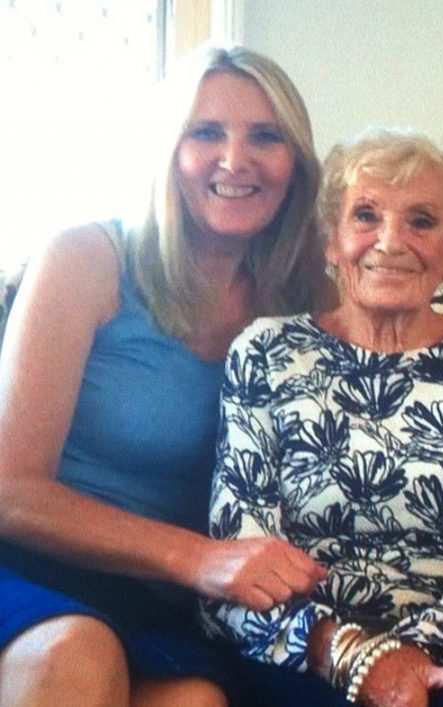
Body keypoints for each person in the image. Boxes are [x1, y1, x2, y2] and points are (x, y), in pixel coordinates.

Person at [0, 45, 330, 706]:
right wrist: (197, 557)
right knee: (76, 653)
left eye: (265, 137)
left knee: (197, 703)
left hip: (167, 603)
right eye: (205, 132)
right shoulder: (88, 256)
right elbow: (9, 489)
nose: (235, 161)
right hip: (35, 567)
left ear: (295, 163)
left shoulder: (310, 297)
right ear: (168, 151)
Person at [201, 128, 443, 707]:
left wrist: (407, 654)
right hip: (301, 649)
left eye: (421, 221)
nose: (391, 241)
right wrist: (345, 652)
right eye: (366, 216)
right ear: (331, 243)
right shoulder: (266, 353)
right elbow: (239, 553)